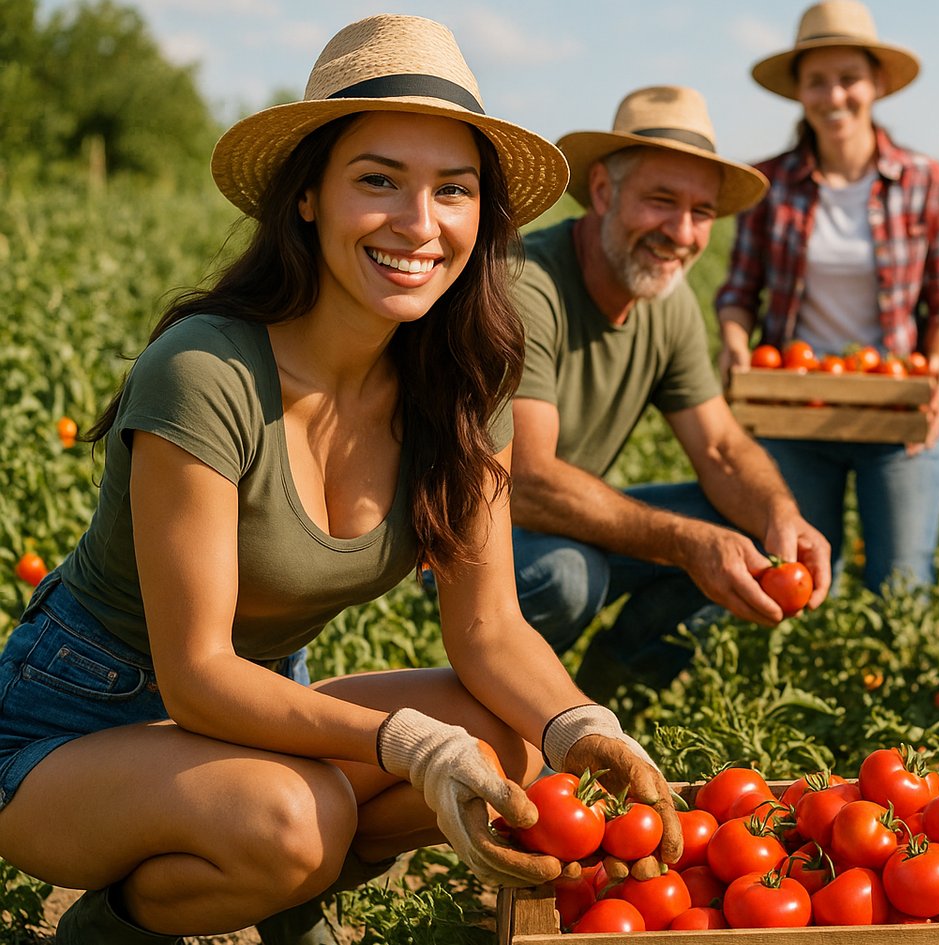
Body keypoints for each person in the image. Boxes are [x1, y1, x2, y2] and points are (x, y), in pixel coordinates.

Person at [0, 16, 678, 944]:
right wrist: (402, 740)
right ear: (309, 195)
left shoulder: (462, 384)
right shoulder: (209, 372)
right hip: (75, 723)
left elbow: (488, 628)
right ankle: (117, 927)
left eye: (453, 190)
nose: (419, 224)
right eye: (378, 181)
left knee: (514, 739)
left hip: (262, 711)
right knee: (294, 821)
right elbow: (197, 677)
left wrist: (583, 727)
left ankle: (284, 888)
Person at [509, 85, 831, 704]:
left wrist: (778, 517)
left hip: (559, 520)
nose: (681, 232)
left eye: (701, 212)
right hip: (466, 536)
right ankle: (510, 709)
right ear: (603, 192)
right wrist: (686, 543)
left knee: (745, 527)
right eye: (661, 201)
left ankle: (610, 692)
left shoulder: (669, 305)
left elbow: (720, 449)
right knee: (567, 577)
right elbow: (525, 480)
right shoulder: (526, 286)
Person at [714, 0, 939, 593]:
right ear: (800, 92)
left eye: (849, 79)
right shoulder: (768, 184)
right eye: (818, 82)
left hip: (897, 403)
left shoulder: (925, 181)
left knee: (902, 582)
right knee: (797, 575)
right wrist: (733, 343)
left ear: (876, 84)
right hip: (792, 409)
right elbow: (738, 291)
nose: (835, 96)